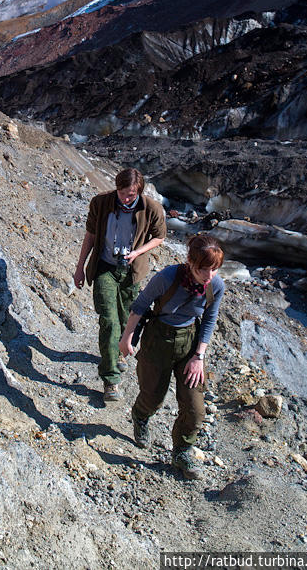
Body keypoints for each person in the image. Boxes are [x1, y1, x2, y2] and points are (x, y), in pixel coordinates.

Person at [119, 234, 225, 480]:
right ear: (190, 261)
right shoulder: (167, 277)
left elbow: (209, 319)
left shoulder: (215, 285)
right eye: (203, 269)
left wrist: (199, 356)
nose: (209, 275)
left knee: (196, 408)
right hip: (158, 339)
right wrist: (127, 338)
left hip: (190, 343)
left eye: (214, 269)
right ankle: (140, 416)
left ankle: (181, 452)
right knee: (153, 397)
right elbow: (141, 305)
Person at [74, 168, 166, 403]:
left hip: (131, 272)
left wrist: (138, 251)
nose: (125, 198)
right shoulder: (101, 203)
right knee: (109, 321)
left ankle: (119, 353)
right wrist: (79, 267)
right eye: (122, 193)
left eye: (130, 195)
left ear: (139, 192)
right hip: (105, 268)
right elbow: (90, 236)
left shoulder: (151, 208)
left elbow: (160, 237)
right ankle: (110, 380)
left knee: (126, 319)